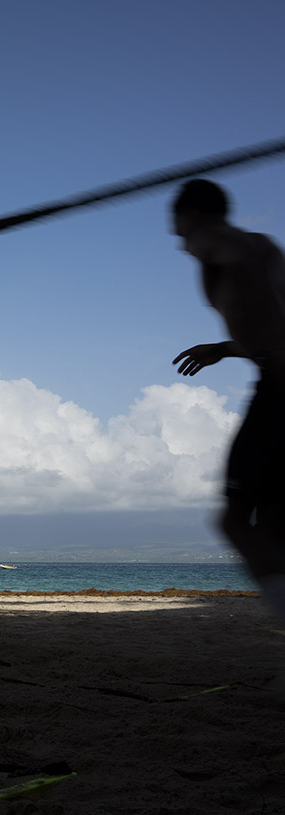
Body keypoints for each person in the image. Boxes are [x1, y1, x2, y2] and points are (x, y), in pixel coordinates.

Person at [171, 179, 285, 622]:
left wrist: (204, 238)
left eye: (178, 228)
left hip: (279, 385)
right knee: (275, 524)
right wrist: (223, 348)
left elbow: (226, 249)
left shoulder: (224, 243)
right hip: (271, 372)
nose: (179, 241)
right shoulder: (266, 248)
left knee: (234, 521)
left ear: (193, 217)